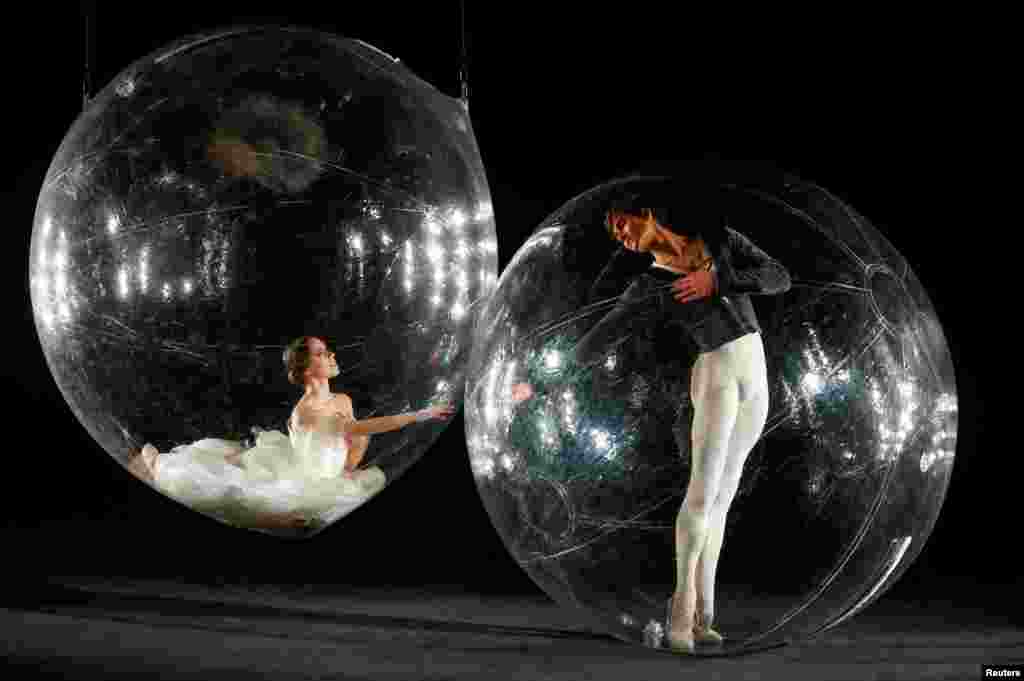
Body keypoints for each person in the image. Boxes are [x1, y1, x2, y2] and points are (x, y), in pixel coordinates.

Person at [513, 193, 790, 653]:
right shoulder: (650, 284)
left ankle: (705, 615)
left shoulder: (719, 242)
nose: (619, 236)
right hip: (718, 372)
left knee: (723, 497)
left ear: (648, 214)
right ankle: (679, 611)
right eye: (612, 232)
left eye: (622, 223)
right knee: (702, 494)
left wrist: (718, 280)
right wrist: (537, 386)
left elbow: (778, 277)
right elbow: (600, 337)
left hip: (755, 377)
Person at [136, 336, 453, 533]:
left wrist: (349, 464)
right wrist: (419, 415)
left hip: (322, 469)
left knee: (257, 470)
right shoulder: (306, 411)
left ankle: (239, 458)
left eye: (328, 351)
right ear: (305, 371)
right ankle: (154, 461)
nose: (331, 356)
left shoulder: (342, 400)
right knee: (225, 490)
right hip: (305, 475)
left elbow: (355, 437)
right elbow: (358, 428)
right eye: (321, 353)